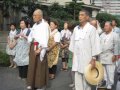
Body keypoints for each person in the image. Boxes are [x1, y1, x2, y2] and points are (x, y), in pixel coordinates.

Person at [69, 9, 101, 90]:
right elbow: (73, 44)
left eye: (82, 15)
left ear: (87, 17)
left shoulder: (92, 29)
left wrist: (93, 59)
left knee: (87, 82)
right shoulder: (76, 29)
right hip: (77, 59)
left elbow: (95, 45)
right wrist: (73, 58)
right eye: (79, 15)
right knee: (78, 81)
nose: (80, 17)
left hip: (87, 59)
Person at [27, 9, 49, 90]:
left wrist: (39, 49)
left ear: (40, 16)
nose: (33, 17)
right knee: (32, 65)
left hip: (40, 47)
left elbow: (45, 38)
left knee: (40, 66)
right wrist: (30, 44)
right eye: (33, 15)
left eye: (35, 15)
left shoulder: (45, 25)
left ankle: (41, 85)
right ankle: (32, 83)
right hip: (33, 46)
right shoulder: (34, 25)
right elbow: (30, 36)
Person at [99, 21, 119, 90]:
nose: (105, 27)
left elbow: (116, 46)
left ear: (110, 27)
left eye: (106, 26)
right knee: (103, 71)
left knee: (110, 71)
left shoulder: (115, 35)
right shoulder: (102, 35)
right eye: (104, 26)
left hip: (110, 55)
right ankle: (105, 82)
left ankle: (110, 84)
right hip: (102, 55)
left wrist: (115, 55)